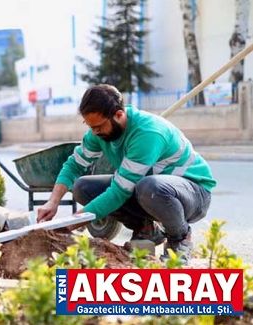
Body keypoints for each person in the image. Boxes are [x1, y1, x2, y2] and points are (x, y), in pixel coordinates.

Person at [37, 84, 216, 264]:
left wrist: (70, 223)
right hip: (149, 190)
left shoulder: (147, 133)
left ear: (119, 115)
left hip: (193, 194)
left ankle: (180, 238)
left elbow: (118, 192)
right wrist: (52, 202)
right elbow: (74, 165)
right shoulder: (98, 132)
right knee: (83, 188)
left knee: (150, 187)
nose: (94, 133)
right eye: (90, 126)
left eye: (98, 127)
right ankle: (146, 229)